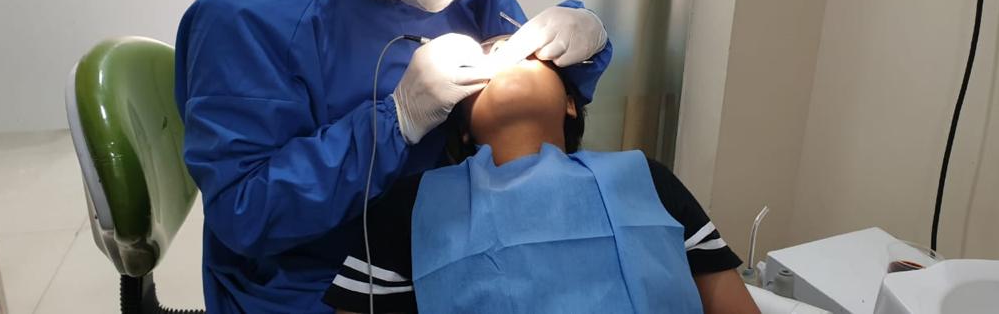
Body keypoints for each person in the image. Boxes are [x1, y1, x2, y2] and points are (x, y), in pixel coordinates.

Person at [174, 0, 611, 312]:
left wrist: (580, 46)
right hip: (315, 280)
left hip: (451, 240)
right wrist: (394, 122)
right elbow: (245, 211)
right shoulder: (244, 19)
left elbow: (536, 88)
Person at [322, 38, 760, 313]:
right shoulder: (411, 207)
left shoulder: (645, 178)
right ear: (463, 126)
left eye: (527, 52)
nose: (506, 55)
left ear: (570, 103)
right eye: (488, 56)